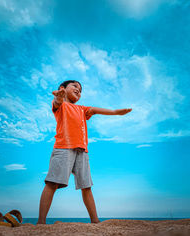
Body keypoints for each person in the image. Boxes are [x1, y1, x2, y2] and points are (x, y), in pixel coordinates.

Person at [37, 80, 132, 224]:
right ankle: (41, 222)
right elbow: (57, 101)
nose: (78, 90)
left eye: (80, 90)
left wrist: (116, 113)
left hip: (82, 151)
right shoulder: (61, 105)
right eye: (75, 86)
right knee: (52, 183)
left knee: (86, 187)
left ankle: (95, 221)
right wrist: (59, 96)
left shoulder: (82, 109)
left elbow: (96, 110)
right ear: (63, 88)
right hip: (64, 147)